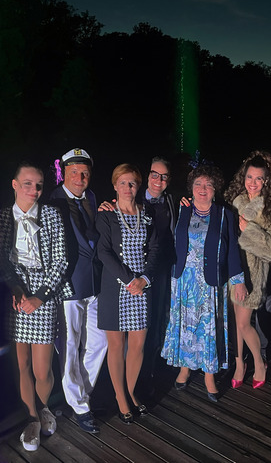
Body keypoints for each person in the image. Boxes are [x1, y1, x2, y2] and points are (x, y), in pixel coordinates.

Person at [0, 162, 72, 451]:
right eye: (28, 183)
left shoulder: (51, 215)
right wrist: (16, 288)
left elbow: (61, 261)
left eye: (39, 184)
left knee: (42, 370)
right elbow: (2, 260)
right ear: (15, 184)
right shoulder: (4, 217)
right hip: (16, 297)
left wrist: (40, 296)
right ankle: (31, 419)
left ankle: (43, 408)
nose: (34, 189)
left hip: (44, 294)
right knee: (22, 366)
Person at [161, 164, 243, 402]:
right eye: (198, 184)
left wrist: (238, 280)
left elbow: (232, 249)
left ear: (215, 188)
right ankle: (184, 368)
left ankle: (209, 374)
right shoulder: (181, 209)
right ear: (191, 188)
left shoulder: (225, 214)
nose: (203, 189)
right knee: (185, 327)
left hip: (210, 283)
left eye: (208, 184)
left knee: (208, 329)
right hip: (184, 280)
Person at [50, 148, 107, 433]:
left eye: (84, 173)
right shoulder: (52, 202)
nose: (80, 178)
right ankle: (82, 407)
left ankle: (79, 395)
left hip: (94, 284)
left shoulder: (93, 198)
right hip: (68, 285)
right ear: (64, 173)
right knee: (69, 347)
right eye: (74, 172)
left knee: (101, 342)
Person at [96, 164, 158, 423]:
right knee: (117, 345)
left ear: (138, 185)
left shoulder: (147, 213)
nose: (127, 187)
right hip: (116, 287)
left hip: (142, 288)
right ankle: (120, 397)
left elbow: (155, 249)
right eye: (122, 182)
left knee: (138, 344)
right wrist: (130, 279)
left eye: (132, 182)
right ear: (114, 186)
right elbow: (103, 251)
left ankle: (131, 392)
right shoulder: (107, 214)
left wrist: (144, 279)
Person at [224, 151, 271, 389]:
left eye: (258, 178)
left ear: (266, 180)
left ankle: (258, 362)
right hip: (230, 268)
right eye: (249, 177)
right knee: (235, 322)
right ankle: (239, 364)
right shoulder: (234, 201)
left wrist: (250, 231)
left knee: (244, 323)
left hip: (252, 273)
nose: (253, 183)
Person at [142, 157, 176, 385]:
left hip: (163, 269)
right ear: (147, 176)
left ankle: (151, 367)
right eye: (155, 174)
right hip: (138, 270)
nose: (158, 180)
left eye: (164, 176)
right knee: (140, 320)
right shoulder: (132, 198)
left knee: (158, 318)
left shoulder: (172, 201)